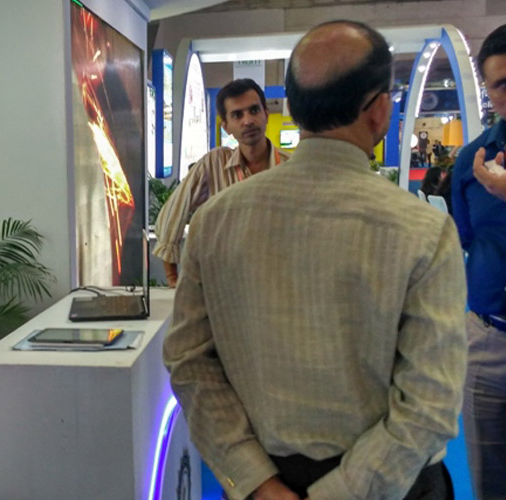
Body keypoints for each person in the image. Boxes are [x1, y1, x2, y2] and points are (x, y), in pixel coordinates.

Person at [164, 20, 466, 500]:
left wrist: (256, 480)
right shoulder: (424, 231)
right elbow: (430, 404)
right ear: (381, 111)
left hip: (267, 480)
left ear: (290, 108)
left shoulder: (214, 222)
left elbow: (188, 361)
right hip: (391, 485)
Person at [152, 78, 289, 287]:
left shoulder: (290, 166)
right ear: (226, 126)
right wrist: (172, 279)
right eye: (237, 115)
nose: (248, 121)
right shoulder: (214, 165)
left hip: (279, 283)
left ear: (266, 114)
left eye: (254, 110)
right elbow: (172, 213)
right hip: (226, 287)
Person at [451, 23, 506, 499]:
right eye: (501, 84)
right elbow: (467, 237)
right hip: (488, 339)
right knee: (489, 481)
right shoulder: (473, 161)